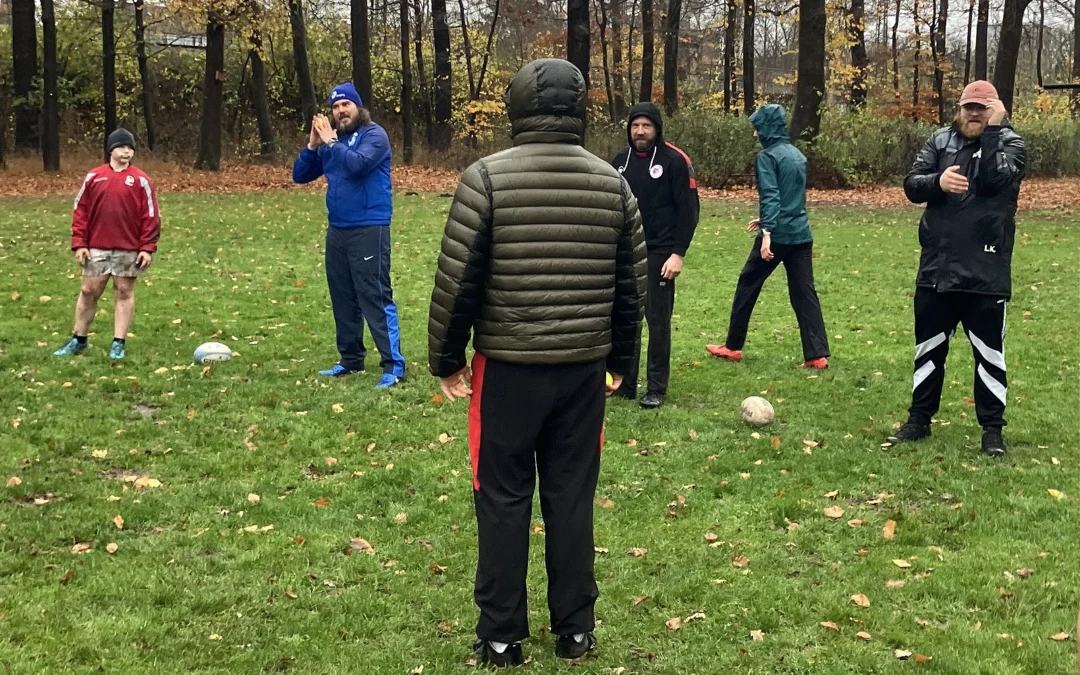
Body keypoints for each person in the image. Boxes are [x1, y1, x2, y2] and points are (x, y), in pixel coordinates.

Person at [427, 58, 647, 667]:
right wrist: (621, 360)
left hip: (508, 371)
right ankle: (575, 630)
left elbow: (456, 281)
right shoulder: (612, 183)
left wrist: (446, 359)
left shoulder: (486, 177)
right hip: (581, 370)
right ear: (577, 109)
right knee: (571, 498)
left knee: (501, 498)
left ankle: (501, 636)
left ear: (517, 106)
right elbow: (633, 288)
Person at [884, 80, 1025, 457]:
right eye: (969, 107)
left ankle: (992, 430)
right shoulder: (939, 142)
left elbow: (997, 181)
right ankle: (919, 420)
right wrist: (938, 181)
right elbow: (912, 185)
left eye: (983, 108)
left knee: (989, 355)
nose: (974, 114)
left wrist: (994, 132)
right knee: (928, 349)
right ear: (959, 109)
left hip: (986, 270)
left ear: (996, 109)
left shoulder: (1012, 144)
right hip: (936, 270)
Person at [292, 82, 406, 388]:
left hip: (370, 226)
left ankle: (393, 366)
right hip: (338, 229)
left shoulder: (374, 135)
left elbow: (358, 166)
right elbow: (299, 175)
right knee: (343, 296)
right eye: (335, 107)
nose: (341, 111)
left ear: (358, 107)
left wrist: (330, 142)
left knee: (374, 294)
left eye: (346, 105)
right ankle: (351, 360)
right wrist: (313, 146)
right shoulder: (332, 142)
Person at [706, 104, 830, 368]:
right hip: (801, 233)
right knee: (804, 292)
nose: (754, 134)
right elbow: (791, 197)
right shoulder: (797, 155)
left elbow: (772, 196)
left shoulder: (767, 157)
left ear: (766, 128)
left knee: (747, 283)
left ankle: (733, 346)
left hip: (779, 236)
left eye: (757, 128)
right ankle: (816, 355)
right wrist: (765, 221)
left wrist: (767, 233)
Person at [611, 102, 700, 409]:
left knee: (657, 321)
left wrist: (678, 254)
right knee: (625, 320)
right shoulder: (618, 162)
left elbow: (689, 211)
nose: (640, 131)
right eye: (636, 126)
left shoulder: (675, 161)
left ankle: (656, 387)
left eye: (646, 126)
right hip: (624, 254)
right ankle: (624, 383)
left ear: (657, 128)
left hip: (660, 253)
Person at [53, 128, 160, 361]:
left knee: (124, 291)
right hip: (96, 246)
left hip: (129, 247)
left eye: (130, 147)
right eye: (122, 146)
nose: (127, 151)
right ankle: (79, 339)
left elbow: (151, 216)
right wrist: (79, 243)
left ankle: (118, 342)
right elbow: (80, 210)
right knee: (89, 290)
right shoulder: (94, 177)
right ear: (111, 149)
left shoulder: (142, 180)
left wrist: (146, 247)